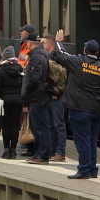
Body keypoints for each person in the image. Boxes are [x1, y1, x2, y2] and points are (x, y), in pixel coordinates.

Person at [50, 39, 100, 179]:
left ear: (84, 50)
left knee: (81, 140)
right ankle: (93, 169)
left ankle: (83, 169)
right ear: (97, 52)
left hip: (79, 108)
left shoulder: (78, 62)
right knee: (91, 141)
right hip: (96, 109)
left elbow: (59, 55)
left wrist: (58, 41)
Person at [22, 35, 56, 164]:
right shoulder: (42, 54)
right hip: (39, 96)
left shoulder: (37, 56)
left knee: (40, 128)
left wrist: (27, 92)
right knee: (38, 127)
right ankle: (39, 154)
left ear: (30, 43)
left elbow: (35, 78)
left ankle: (42, 155)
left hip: (38, 97)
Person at [0, 46, 24, 159]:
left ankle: (6, 151)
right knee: (15, 125)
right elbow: (24, 85)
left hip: (5, 101)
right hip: (18, 101)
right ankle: (13, 151)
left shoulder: (1, 70)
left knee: (6, 126)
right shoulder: (20, 69)